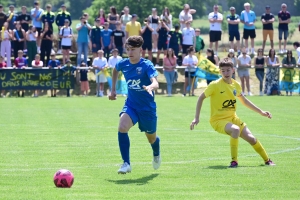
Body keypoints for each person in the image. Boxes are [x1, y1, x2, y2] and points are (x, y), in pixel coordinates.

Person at [190, 57, 275, 168]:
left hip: (232, 118)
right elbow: (200, 98)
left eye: (228, 70)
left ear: (233, 70)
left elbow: (244, 101)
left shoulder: (236, 85)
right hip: (218, 120)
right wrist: (196, 118)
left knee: (252, 139)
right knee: (235, 129)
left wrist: (261, 112)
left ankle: (267, 160)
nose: (226, 73)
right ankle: (234, 161)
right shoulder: (214, 85)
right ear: (220, 71)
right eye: (223, 70)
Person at [108, 36, 160, 174]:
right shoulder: (123, 63)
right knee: (122, 127)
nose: (130, 52)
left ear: (140, 50)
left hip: (147, 109)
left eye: (133, 49)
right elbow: (115, 70)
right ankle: (126, 163)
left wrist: (150, 87)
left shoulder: (146, 65)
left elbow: (155, 82)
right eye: (128, 49)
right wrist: (113, 89)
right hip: (131, 105)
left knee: (152, 138)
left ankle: (156, 152)